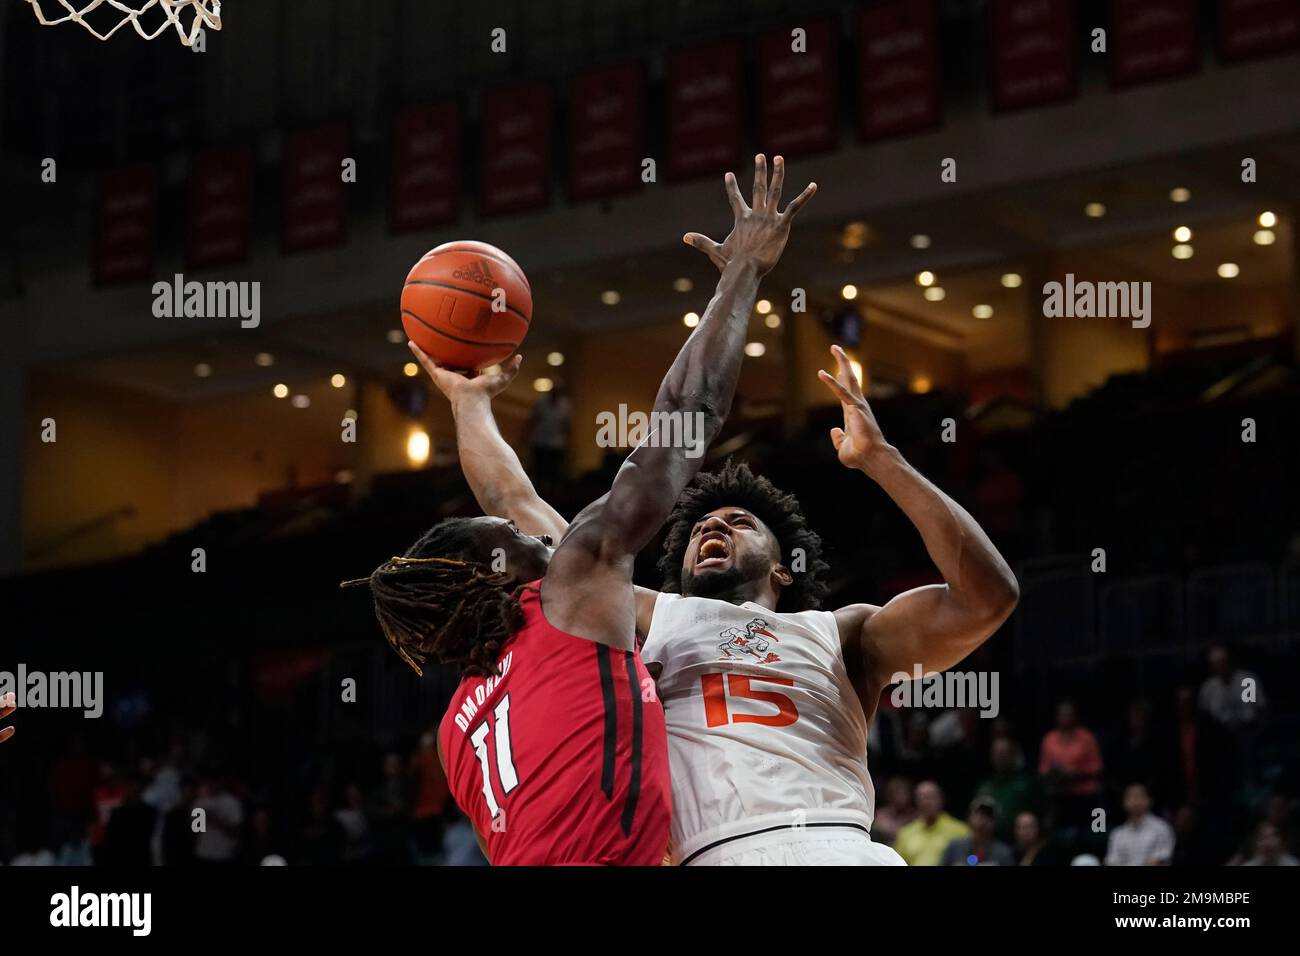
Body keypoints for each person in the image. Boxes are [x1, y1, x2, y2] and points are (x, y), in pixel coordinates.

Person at [424, 220, 1018, 867]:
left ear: (786, 569)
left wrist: (883, 460)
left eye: (739, 523)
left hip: (842, 846)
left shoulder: (848, 637)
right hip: (714, 854)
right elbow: (517, 507)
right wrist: (468, 402)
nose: (713, 527)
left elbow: (987, 597)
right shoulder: (642, 615)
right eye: (703, 526)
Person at [351, 154, 816, 865]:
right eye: (514, 539)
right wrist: (743, 272)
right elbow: (685, 416)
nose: (533, 528)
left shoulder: (456, 730)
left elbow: (511, 495)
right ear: (500, 577)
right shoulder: (569, 591)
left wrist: (469, 404)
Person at [894, 781, 970, 867]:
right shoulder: (906, 833)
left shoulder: (959, 830)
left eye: (931, 797)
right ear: (916, 802)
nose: (926, 802)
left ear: (941, 799)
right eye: (922, 798)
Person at [1105, 782, 1175, 866]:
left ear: (1149, 800)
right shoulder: (1117, 834)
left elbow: (1159, 860)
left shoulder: (1162, 828)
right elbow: (1112, 862)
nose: (1135, 800)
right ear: (1124, 803)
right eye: (1131, 796)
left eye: (1140, 796)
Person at [939, 796, 1014, 866]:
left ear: (995, 822)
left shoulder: (1003, 853)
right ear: (969, 817)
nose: (982, 819)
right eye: (978, 813)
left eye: (988, 815)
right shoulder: (954, 847)